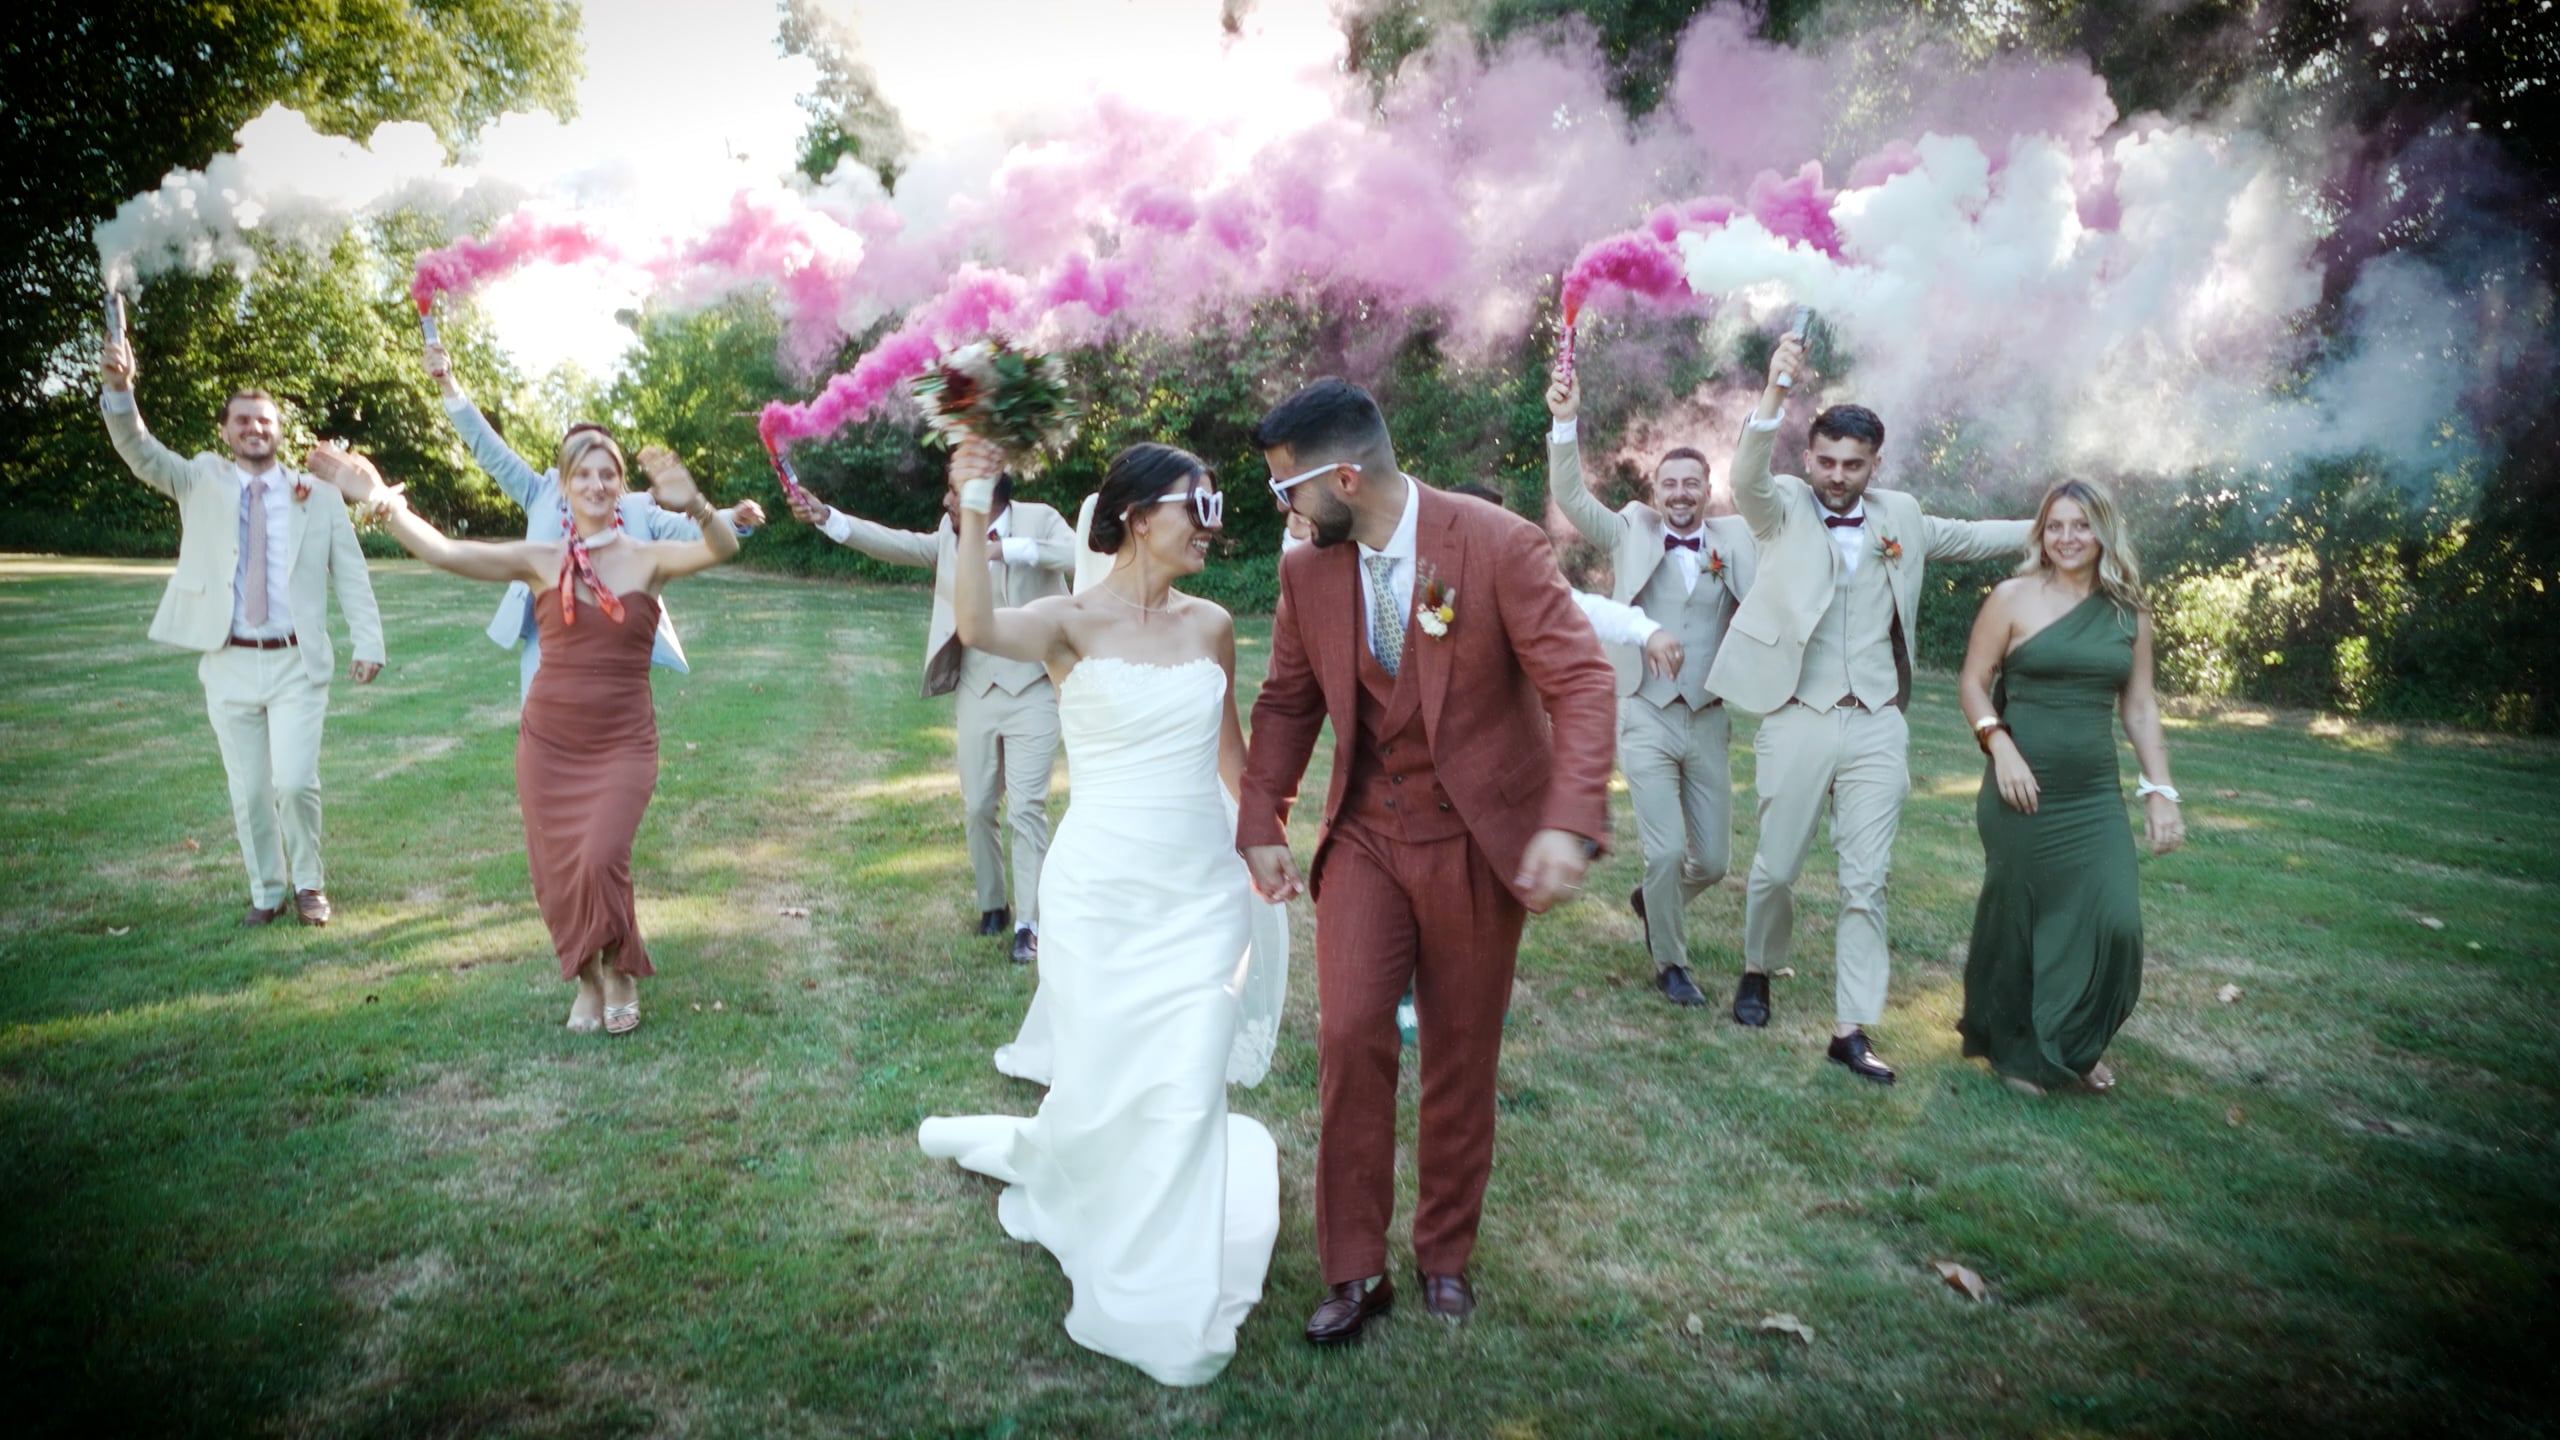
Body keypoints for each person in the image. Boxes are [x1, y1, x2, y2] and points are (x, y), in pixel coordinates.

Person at [1239, 378, 1616, 1340]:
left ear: (1345, 477)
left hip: (1473, 841)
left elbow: (1580, 682)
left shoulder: (1495, 545)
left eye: (1287, 488)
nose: (1282, 509)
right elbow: (1287, 701)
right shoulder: (1307, 572)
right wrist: (1263, 818)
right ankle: (1354, 1269)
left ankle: (1444, 1253)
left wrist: (1568, 820)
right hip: (1367, 833)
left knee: (1460, 1051)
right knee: (1349, 1035)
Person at [917, 437, 1284, 1387]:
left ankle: (1170, 1274)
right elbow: (974, 621)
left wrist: (1265, 837)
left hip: (1202, 892)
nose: (1212, 526)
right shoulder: (1068, 623)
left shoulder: (1213, 626)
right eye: (1198, 507)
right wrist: (972, 501)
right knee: (1109, 1074)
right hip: (1100, 892)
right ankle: (1098, 1199)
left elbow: (1231, 751)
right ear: (1137, 516)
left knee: (1189, 1075)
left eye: (1216, 508)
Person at [304, 436, 738, 1036]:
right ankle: (589, 978)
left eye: (607, 474)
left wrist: (697, 507)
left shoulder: (648, 558)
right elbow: (447, 553)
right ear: (563, 486)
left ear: (620, 486)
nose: (595, 484)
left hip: (623, 740)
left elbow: (723, 547)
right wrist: (381, 500)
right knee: (557, 873)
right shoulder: (540, 558)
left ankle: (622, 968)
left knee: (602, 855)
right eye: (581, 474)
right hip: (549, 743)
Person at [1709, 333, 2031, 1082]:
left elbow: (1973, 537)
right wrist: (1775, 389)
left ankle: (1850, 1028)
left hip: (1878, 719)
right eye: (1826, 461)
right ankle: (1758, 966)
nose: (1837, 476)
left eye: (1852, 465)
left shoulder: (1901, 516)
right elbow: (1746, 474)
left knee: (1867, 879)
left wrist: (2058, 525)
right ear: (1809, 457)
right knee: (1776, 869)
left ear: (1874, 465)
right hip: (1797, 711)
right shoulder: (1781, 505)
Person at [98, 333, 384, 928]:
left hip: (296, 662)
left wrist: (369, 640)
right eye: (244, 421)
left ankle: (310, 885)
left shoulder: (318, 496)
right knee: (250, 789)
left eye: (266, 421)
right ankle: (267, 891)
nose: (256, 428)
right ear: (226, 432)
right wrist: (120, 388)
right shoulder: (199, 479)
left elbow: (351, 573)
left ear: (279, 431)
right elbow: (139, 449)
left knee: (296, 782)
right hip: (228, 660)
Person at [785, 465, 1074, 966]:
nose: (945, 501)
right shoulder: (949, 534)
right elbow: (898, 544)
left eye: (955, 493)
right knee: (978, 805)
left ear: (987, 496)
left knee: (1027, 807)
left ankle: (1030, 924)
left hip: (1034, 684)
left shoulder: (1040, 519)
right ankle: (993, 905)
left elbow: (1076, 555)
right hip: (976, 686)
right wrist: (827, 516)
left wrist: (1005, 549)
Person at [1956, 479, 2183, 1094]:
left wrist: (2160, 790)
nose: (2067, 537)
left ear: (2104, 531)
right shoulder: (2012, 598)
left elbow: (2139, 706)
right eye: (2055, 526)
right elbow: (1974, 683)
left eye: (2081, 525)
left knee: (2116, 924)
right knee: (2021, 917)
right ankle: (2018, 1051)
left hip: (2093, 797)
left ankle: (2073, 1042)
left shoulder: (2130, 613)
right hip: (2019, 788)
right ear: (2041, 534)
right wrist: (2000, 746)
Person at [1544, 374, 1757, 1007]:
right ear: (1654, 490)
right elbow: (1570, 496)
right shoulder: (1629, 529)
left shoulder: (1735, 541)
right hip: (1644, 713)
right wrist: (1564, 421)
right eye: (1669, 484)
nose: (1680, 493)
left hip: (1708, 716)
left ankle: (1653, 903)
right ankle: (1671, 964)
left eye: (1692, 483)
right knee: (1664, 853)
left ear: (1709, 490)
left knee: (1712, 862)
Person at [421, 342, 760, 699]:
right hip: (549, 642)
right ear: (565, 470)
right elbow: (490, 451)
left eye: (601, 463)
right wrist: (448, 385)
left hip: (616, 648)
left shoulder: (637, 508)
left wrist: (732, 517)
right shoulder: (540, 491)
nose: (592, 476)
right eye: (579, 461)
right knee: (545, 719)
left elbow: (691, 530)